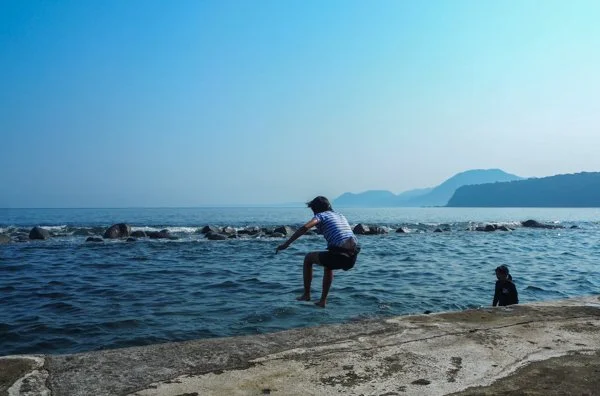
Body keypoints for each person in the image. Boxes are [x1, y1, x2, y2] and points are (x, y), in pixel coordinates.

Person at [276, 196, 360, 308]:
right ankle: (322, 301)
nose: (313, 214)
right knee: (328, 265)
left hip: (341, 256)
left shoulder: (320, 216)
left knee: (308, 258)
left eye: (313, 211)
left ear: (317, 209)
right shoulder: (340, 215)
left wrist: (287, 244)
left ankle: (306, 295)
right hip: (352, 256)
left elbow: (304, 228)